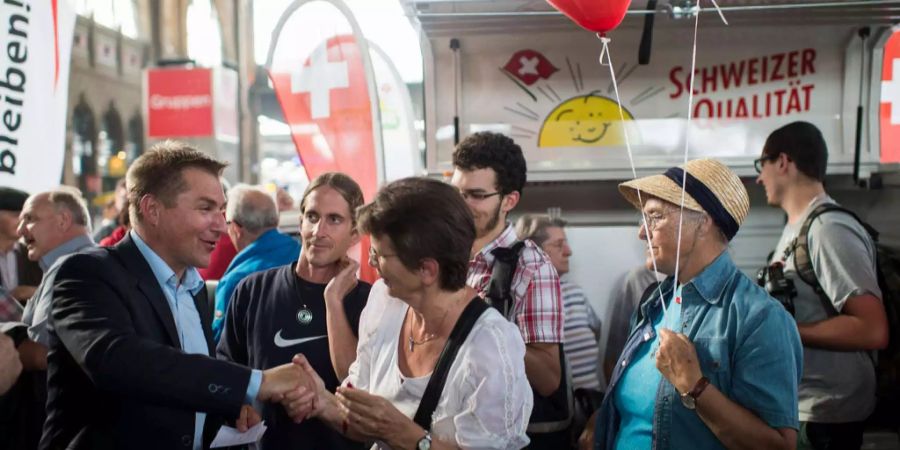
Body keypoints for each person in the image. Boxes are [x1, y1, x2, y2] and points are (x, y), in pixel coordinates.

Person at [40, 142, 316, 450]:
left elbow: (182, 385)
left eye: (221, 210)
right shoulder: (86, 274)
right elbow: (119, 361)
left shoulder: (192, 288)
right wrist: (255, 383)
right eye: (205, 208)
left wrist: (227, 410)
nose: (222, 226)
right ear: (152, 209)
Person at [282, 177, 533, 449]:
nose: (370, 262)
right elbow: (365, 421)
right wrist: (322, 402)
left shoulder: (491, 346)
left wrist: (407, 435)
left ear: (427, 270)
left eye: (380, 255)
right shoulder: (385, 303)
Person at [589, 158, 803, 450]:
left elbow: (778, 446)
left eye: (654, 216)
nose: (642, 232)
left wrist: (695, 386)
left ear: (702, 223)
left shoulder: (761, 317)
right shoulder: (654, 302)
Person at [756, 121, 887, 449]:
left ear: (783, 162)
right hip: (803, 408)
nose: (759, 177)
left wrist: (787, 329)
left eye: (763, 165)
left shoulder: (828, 229)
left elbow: (872, 329)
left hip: (827, 418)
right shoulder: (796, 229)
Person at [217, 173, 370, 449]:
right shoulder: (252, 290)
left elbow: (358, 384)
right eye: (312, 217)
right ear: (299, 222)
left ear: (355, 232)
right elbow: (226, 369)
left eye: (334, 220)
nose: (318, 231)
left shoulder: (371, 304)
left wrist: (333, 300)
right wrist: (238, 407)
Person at [449, 131, 566, 447]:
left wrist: (481, 319)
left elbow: (548, 379)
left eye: (475, 195)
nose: (462, 206)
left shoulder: (532, 267)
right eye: (457, 193)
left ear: (509, 200)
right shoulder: (444, 255)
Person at [8, 187, 96, 449]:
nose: (21, 230)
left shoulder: (69, 267)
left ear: (63, 220)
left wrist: (7, 338)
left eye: (30, 218)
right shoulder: (87, 261)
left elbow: (42, 353)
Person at [515, 214, 602, 391]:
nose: (568, 251)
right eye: (558, 244)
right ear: (534, 253)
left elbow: (597, 330)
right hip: (554, 413)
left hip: (592, 406)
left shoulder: (575, 293)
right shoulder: (520, 299)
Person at [210, 185, 301, 342]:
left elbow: (220, 347)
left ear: (237, 229)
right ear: (276, 219)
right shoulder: (305, 258)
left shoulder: (236, 282)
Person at [0, 187, 41, 320]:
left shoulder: (36, 255)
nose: (23, 223)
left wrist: (30, 292)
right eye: (16, 215)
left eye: (28, 218)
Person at [93, 178, 128, 243]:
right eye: (124, 198)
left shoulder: (144, 229)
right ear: (116, 199)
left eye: (130, 198)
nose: (127, 202)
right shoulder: (107, 230)